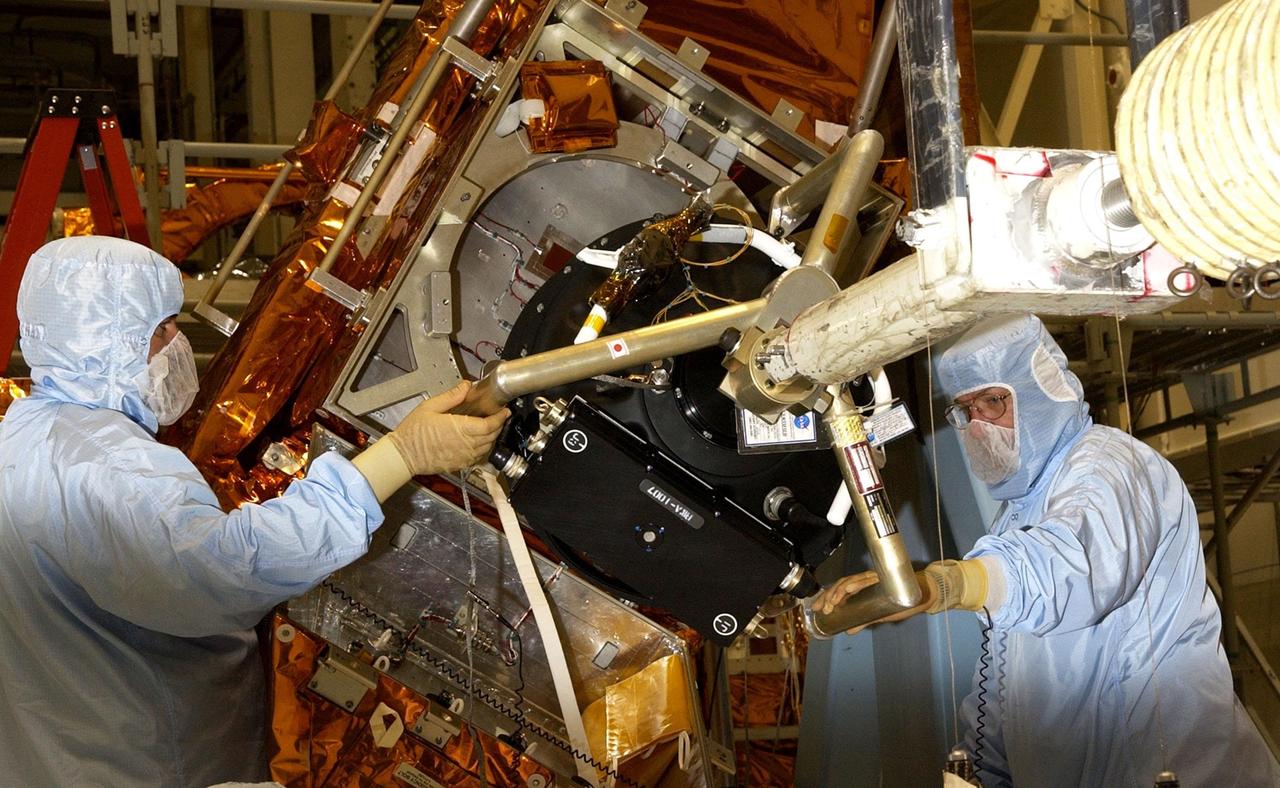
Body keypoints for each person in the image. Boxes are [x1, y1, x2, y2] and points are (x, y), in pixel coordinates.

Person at [0, 236, 508, 786]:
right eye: (163, 329)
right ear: (110, 341)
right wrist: (403, 454)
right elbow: (231, 571)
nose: (175, 344)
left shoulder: (25, 437)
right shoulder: (115, 471)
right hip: (145, 764)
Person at [814, 314, 1280, 787]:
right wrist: (981, 771)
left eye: (994, 401)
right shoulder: (1019, 513)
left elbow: (1066, 571)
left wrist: (943, 585)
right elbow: (1007, 682)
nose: (978, 426)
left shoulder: (1110, 465)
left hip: (1182, 772)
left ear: (1042, 387)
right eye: (965, 410)